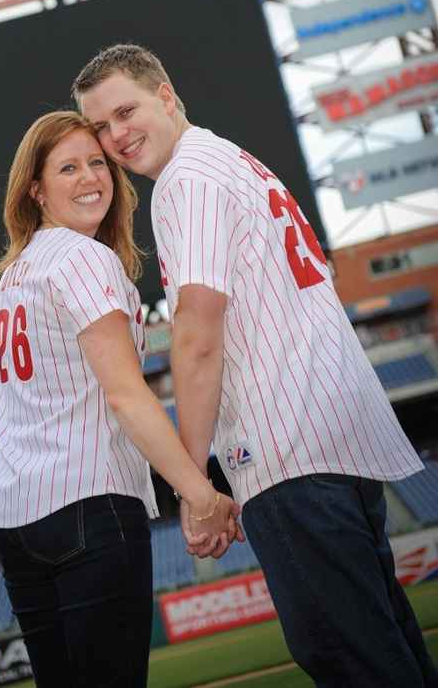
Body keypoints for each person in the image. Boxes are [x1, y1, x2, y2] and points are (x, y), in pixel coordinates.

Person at [73, 44, 438, 688]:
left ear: (165, 95)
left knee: (352, 660)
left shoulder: (188, 179)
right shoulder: (229, 157)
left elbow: (197, 335)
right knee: (388, 649)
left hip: (287, 448)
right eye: (100, 126)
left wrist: (193, 482)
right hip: (337, 434)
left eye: (125, 111)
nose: (115, 136)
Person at [0, 110, 242, 688]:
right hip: (86, 502)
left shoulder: (16, 274)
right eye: (67, 167)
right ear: (36, 189)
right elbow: (126, 397)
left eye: (96, 163)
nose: (88, 177)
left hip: (15, 513)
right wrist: (199, 493)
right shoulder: (81, 257)